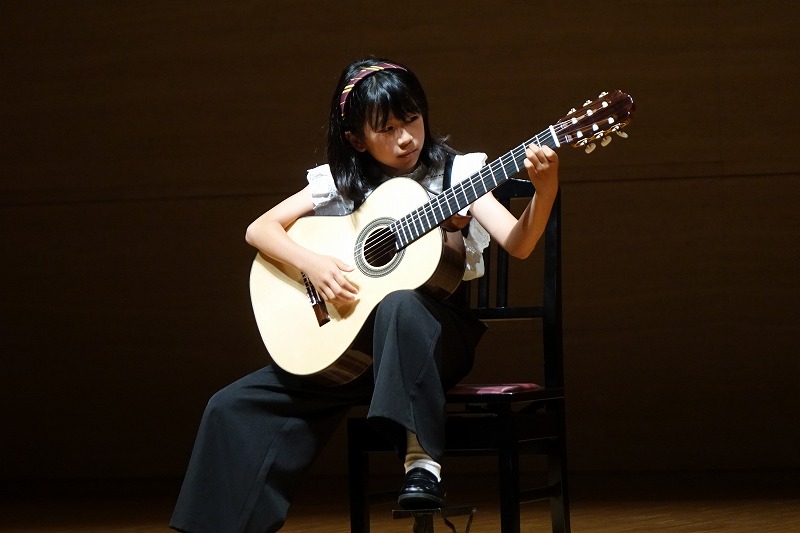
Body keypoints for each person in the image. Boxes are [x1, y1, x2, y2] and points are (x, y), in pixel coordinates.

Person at [170, 57, 559, 533]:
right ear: (357, 139)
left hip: (436, 340)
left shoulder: (458, 174)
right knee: (232, 406)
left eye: (411, 119)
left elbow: (519, 244)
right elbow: (259, 229)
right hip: (358, 348)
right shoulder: (342, 181)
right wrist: (311, 263)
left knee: (401, 304)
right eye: (387, 129)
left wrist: (544, 191)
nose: (405, 138)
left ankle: (421, 462)